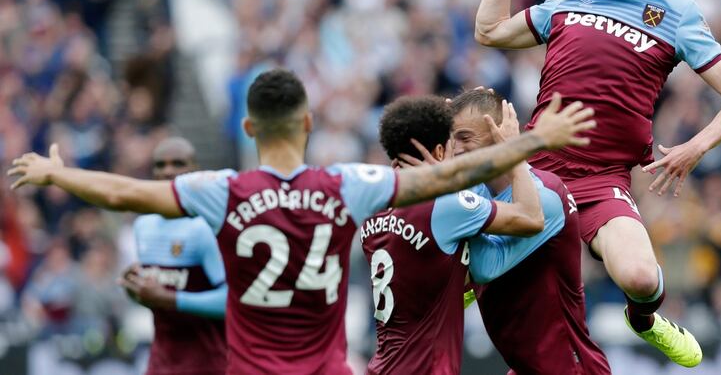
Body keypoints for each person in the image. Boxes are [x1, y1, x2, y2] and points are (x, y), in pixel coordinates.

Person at [8, 68, 595, 374]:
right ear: (309, 124)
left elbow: (129, 194)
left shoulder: (223, 191)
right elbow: (440, 182)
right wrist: (532, 140)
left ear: (248, 129)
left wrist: (61, 176)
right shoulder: (346, 186)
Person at [473, 0, 721, 367]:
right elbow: (489, 31)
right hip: (537, 175)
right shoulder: (570, 2)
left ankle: (643, 320)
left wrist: (695, 147)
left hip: (602, 179)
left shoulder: (675, 12)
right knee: (484, 278)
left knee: (642, 278)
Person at [362, 95, 580, 374]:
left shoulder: (373, 209)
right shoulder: (447, 207)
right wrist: (514, 150)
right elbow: (530, 216)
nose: (459, 151)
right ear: (441, 151)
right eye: (454, 141)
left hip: (382, 365)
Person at [450, 89, 610, 374]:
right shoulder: (477, 188)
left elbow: (485, 267)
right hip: (525, 366)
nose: (456, 148)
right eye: (452, 138)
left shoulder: (544, 197)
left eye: (464, 137)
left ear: (499, 133)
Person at [118, 137, 227, 375]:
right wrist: (135, 290)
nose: (168, 171)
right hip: (161, 363)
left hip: (208, 364)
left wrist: (171, 299)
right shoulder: (143, 226)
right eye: (160, 165)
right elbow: (158, 297)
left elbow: (231, 301)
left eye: (178, 164)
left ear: (195, 171)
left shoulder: (207, 228)